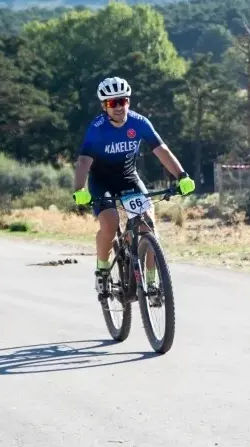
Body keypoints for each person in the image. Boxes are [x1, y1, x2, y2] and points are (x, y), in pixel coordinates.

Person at [72, 76, 195, 295]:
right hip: (102, 182)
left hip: (128, 178)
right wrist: (79, 189)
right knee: (109, 224)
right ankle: (102, 270)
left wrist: (182, 176)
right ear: (104, 106)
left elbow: (162, 150)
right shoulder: (97, 128)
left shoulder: (139, 122)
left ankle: (152, 283)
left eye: (123, 101)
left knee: (147, 225)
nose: (119, 107)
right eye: (113, 103)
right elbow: (84, 162)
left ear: (128, 101)